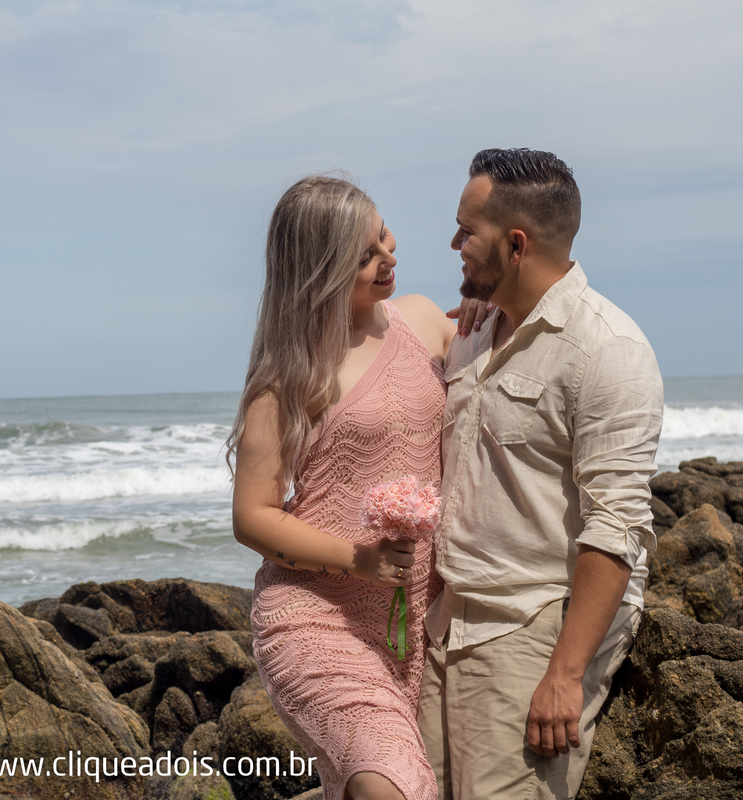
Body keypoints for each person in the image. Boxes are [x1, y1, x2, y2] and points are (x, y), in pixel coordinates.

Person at [417, 149, 664, 800]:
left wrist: (566, 671)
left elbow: (618, 525)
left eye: (467, 231)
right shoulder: (472, 330)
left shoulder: (608, 349)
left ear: (516, 243)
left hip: (532, 626)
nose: (454, 244)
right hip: (447, 623)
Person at [229, 174, 458, 800]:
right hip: (314, 616)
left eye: (382, 234)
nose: (388, 256)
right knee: (391, 783)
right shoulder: (290, 374)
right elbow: (252, 516)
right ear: (319, 270)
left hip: (411, 620)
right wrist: (357, 560)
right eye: (362, 256)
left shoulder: (421, 320)